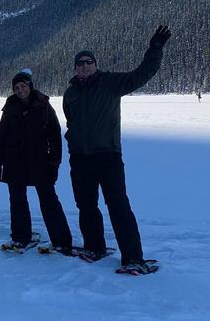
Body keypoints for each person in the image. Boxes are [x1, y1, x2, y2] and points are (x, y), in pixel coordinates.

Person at [63, 25, 171, 274]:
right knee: (86, 206)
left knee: (118, 206)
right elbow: (71, 122)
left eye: (89, 62)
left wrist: (154, 50)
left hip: (108, 156)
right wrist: (73, 146)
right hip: (80, 159)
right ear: (75, 68)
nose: (85, 65)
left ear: (95, 64)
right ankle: (95, 247)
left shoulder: (111, 82)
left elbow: (143, 74)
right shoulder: (70, 93)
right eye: (80, 63)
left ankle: (133, 257)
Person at [0, 70, 72, 251]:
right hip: (14, 162)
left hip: (40, 162)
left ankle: (61, 240)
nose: (20, 90)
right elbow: (1, 137)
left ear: (30, 86)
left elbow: (54, 138)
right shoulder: (10, 108)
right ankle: (20, 237)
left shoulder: (43, 106)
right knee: (17, 201)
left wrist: (54, 164)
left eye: (23, 86)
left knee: (49, 201)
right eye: (16, 88)